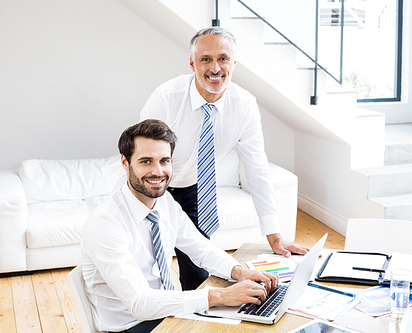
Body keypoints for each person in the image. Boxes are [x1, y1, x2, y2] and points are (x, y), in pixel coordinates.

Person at [140, 27, 308, 291]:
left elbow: (256, 169)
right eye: (206, 59)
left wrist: (274, 236)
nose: (215, 68)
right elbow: (139, 155)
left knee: (198, 274)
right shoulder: (166, 97)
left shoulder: (244, 105)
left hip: (194, 190)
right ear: (193, 63)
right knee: (147, 269)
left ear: (234, 63)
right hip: (149, 189)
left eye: (223, 58)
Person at [81, 119, 278, 333]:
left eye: (164, 161)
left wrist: (239, 272)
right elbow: (141, 304)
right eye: (146, 161)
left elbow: (200, 249)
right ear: (125, 163)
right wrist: (220, 295)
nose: (157, 172)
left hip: (168, 312)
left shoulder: (164, 202)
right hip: (131, 326)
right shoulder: (106, 223)